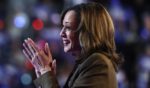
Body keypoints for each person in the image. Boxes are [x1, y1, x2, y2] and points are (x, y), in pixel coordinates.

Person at [22, 2, 123, 88]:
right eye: (62, 27)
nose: (61, 33)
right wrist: (44, 76)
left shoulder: (98, 63)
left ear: (87, 31)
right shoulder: (85, 63)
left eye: (68, 27)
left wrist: (46, 71)